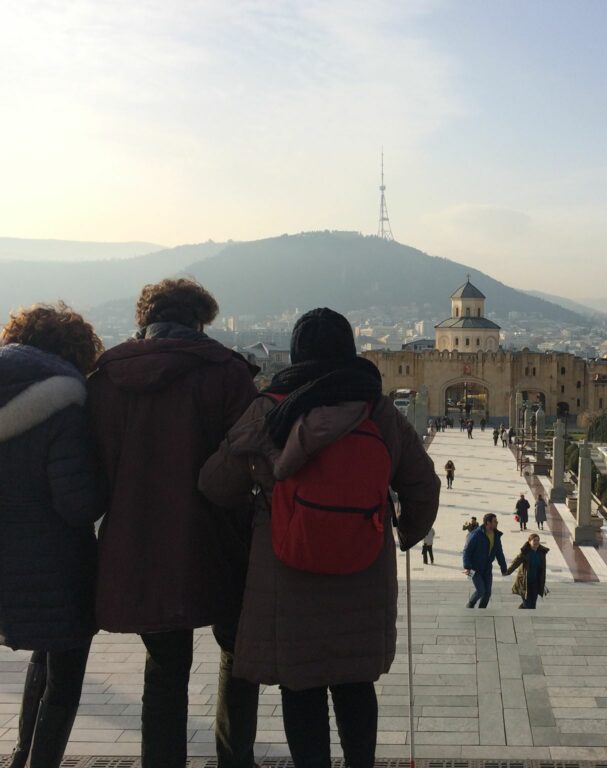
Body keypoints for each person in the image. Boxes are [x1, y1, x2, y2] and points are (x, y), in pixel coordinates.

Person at [199, 307, 439, 768]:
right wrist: (405, 532)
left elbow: (215, 483)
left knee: (302, 688)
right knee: (355, 685)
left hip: (288, 575)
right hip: (363, 572)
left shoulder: (270, 409)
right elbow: (423, 485)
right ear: (349, 351)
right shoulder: (375, 407)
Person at [88, 279, 260, 768]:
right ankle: (234, 759)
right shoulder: (227, 373)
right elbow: (250, 460)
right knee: (237, 656)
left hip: (137, 543)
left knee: (164, 668)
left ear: (144, 318)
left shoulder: (105, 380)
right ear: (200, 319)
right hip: (221, 539)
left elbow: (95, 475)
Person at [0, 304, 104, 768]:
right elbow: (77, 504)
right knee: (63, 679)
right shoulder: (63, 408)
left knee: (41, 661)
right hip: (60, 569)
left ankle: (20, 756)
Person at [462, 513, 507, 609]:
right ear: (488, 522)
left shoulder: (496, 535)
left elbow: (499, 552)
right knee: (481, 590)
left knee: (488, 593)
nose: (497, 523)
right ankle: (470, 605)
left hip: (487, 568)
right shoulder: (476, 534)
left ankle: (482, 610)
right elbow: (467, 550)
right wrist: (467, 566)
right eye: (495, 521)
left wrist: (503, 567)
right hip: (475, 568)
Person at [506, 534, 550, 609]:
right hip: (525, 582)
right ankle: (523, 609)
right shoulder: (525, 552)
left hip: (535, 582)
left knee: (533, 604)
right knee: (527, 604)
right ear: (529, 542)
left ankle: (524, 610)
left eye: (538, 540)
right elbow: (516, 563)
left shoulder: (541, 553)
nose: (536, 542)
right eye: (534, 540)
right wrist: (507, 572)